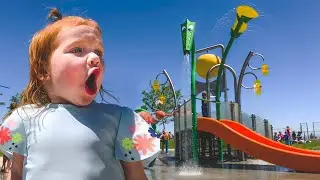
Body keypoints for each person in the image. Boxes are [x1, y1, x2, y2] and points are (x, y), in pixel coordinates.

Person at [0, 8, 159, 180]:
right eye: (77, 50)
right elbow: (15, 172)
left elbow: (135, 175)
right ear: (43, 69)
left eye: (98, 52)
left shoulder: (120, 119)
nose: (95, 58)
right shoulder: (24, 118)